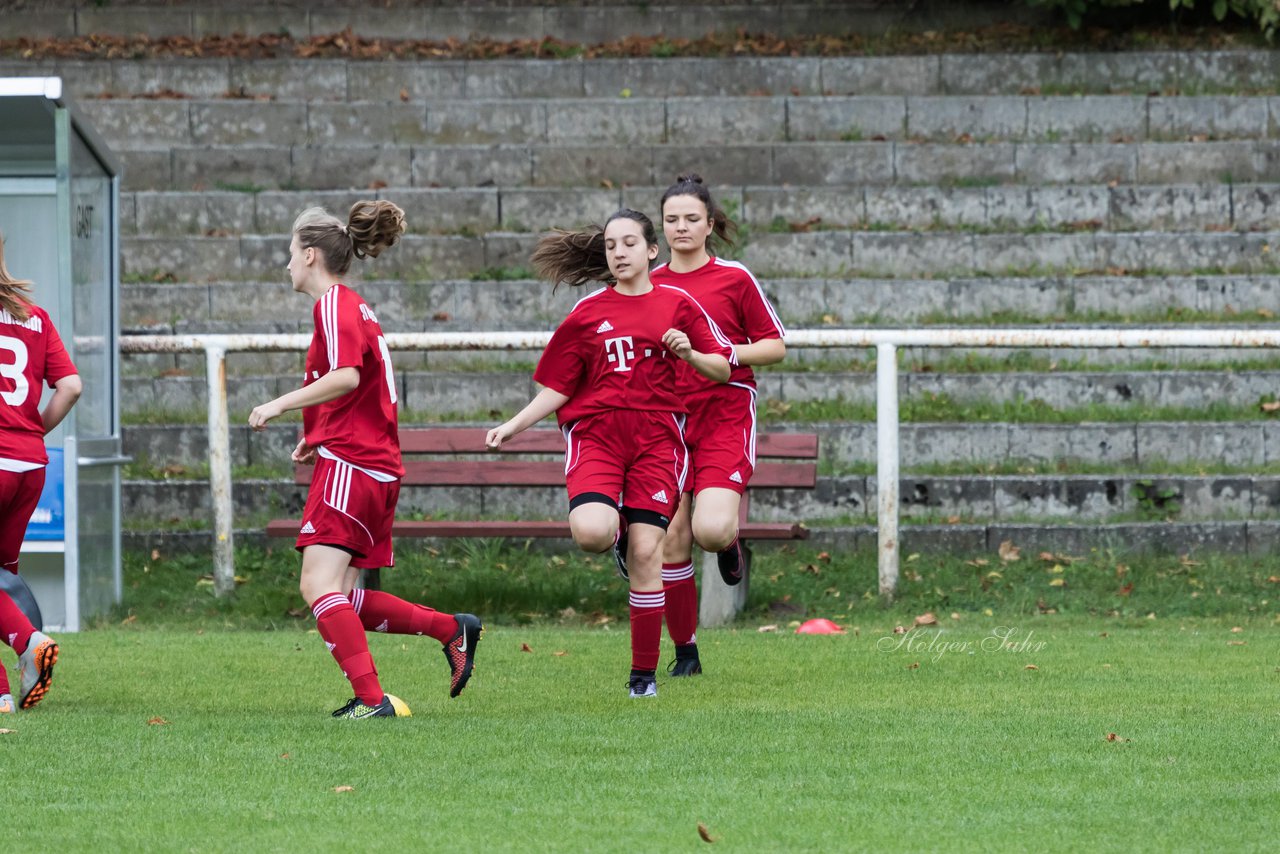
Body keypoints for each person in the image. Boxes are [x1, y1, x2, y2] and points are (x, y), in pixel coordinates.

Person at [485, 209, 734, 698]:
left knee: (649, 552)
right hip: (598, 437)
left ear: (651, 251)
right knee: (593, 532)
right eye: (611, 247)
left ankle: (642, 678)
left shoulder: (678, 304)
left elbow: (721, 370)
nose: (619, 253)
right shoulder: (587, 314)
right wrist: (512, 425)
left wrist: (689, 354)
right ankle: (617, 534)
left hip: (658, 442)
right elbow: (557, 387)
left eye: (628, 244)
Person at [249, 202, 482, 720]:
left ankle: (371, 700)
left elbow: (348, 376)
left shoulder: (333, 303)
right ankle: (451, 629)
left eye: (290, 253)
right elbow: (357, 382)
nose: (286, 264)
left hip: (354, 466)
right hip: (371, 464)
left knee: (317, 586)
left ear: (310, 255)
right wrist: (318, 433)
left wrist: (279, 403)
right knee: (345, 597)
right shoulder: (354, 306)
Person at [648, 174, 787, 677]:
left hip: (724, 413)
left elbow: (774, 346)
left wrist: (722, 352)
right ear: (661, 227)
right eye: (671, 219)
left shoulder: (735, 278)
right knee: (673, 537)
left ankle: (728, 546)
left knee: (709, 529)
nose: (680, 227)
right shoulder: (649, 284)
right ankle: (686, 654)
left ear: (709, 224)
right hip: (665, 418)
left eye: (691, 218)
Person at [0, 230, 81, 713]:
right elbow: (69, 386)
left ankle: (28, 642)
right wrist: (32, 430)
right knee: (3, 576)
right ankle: (3, 695)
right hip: (29, 464)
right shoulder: (34, 316)